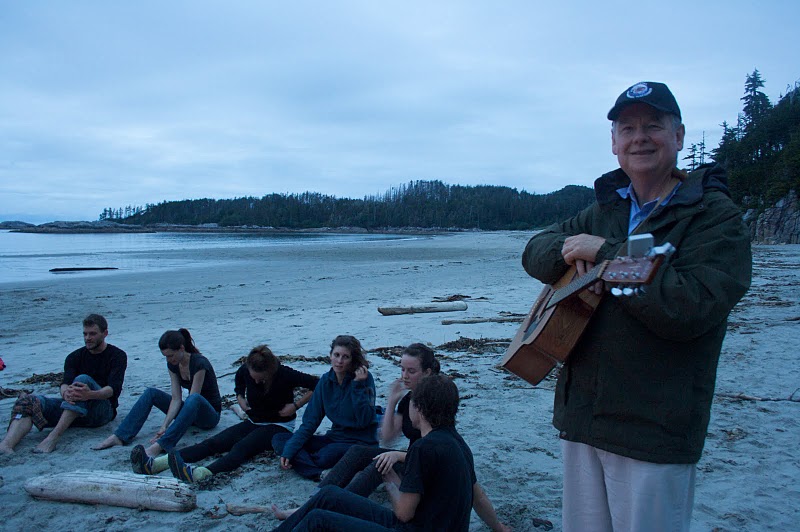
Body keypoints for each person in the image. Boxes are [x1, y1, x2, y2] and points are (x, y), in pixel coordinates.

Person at [522, 81, 752, 531]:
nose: (639, 137)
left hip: (654, 431)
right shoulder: (605, 208)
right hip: (584, 420)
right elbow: (535, 250)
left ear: (679, 136)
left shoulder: (713, 215)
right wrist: (570, 249)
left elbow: (692, 307)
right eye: (627, 128)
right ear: (614, 143)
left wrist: (606, 255)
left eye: (653, 126)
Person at [272, 374, 508, 531]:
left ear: (420, 409)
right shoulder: (458, 442)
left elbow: (404, 514)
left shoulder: (423, 448)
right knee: (329, 495)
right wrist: (499, 528)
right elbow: (478, 497)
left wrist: (389, 480)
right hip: (422, 524)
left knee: (318, 519)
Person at [166, 344, 319, 482]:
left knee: (241, 448)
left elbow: (318, 384)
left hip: (279, 425)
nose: (257, 382)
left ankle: (199, 474)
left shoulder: (284, 374)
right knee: (215, 442)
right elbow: (239, 383)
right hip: (254, 421)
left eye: (261, 379)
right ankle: (160, 463)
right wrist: (240, 397)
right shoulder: (245, 370)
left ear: (270, 372)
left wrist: (296, 405)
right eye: (254, 378)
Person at [93, 328, 221, 476]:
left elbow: (194, 399)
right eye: (165, 356)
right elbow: (176, 398)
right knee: (151, 393)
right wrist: (164, 425)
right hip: (189, 410)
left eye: (171, 355)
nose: (169, 360)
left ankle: (161, 445)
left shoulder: (199, 363)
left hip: (209, 416)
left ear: (181, 348)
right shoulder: (173, 365)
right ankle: (120, 436)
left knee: (193, 399)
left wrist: (169, 429)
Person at [0, 314, 127, 454]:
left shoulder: (117, 356)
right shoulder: (74, 357)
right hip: (73, 407)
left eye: (92, 334)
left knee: (82, 380)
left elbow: (112, 390)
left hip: (102, 411)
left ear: (105, 333)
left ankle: (53, 438)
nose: (87, 338)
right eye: (85, 334)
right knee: (28, 401)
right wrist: (65, 393)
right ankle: (6, 445)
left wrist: (89, 394)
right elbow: (65, 383)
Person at [271, 335, 378, 480]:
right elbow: (310, 422)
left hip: (360, 443)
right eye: (337, 355)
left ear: (353, 360)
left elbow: (365, 419)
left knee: (325, 456)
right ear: (330, 356)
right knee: (280, 439)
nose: (340, 361)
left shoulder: (364, 380)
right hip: (334, 438)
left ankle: (311, 467)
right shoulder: (325, 382)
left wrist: (357, 386)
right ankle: (318, 472)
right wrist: (290, 450)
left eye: (345, 357)